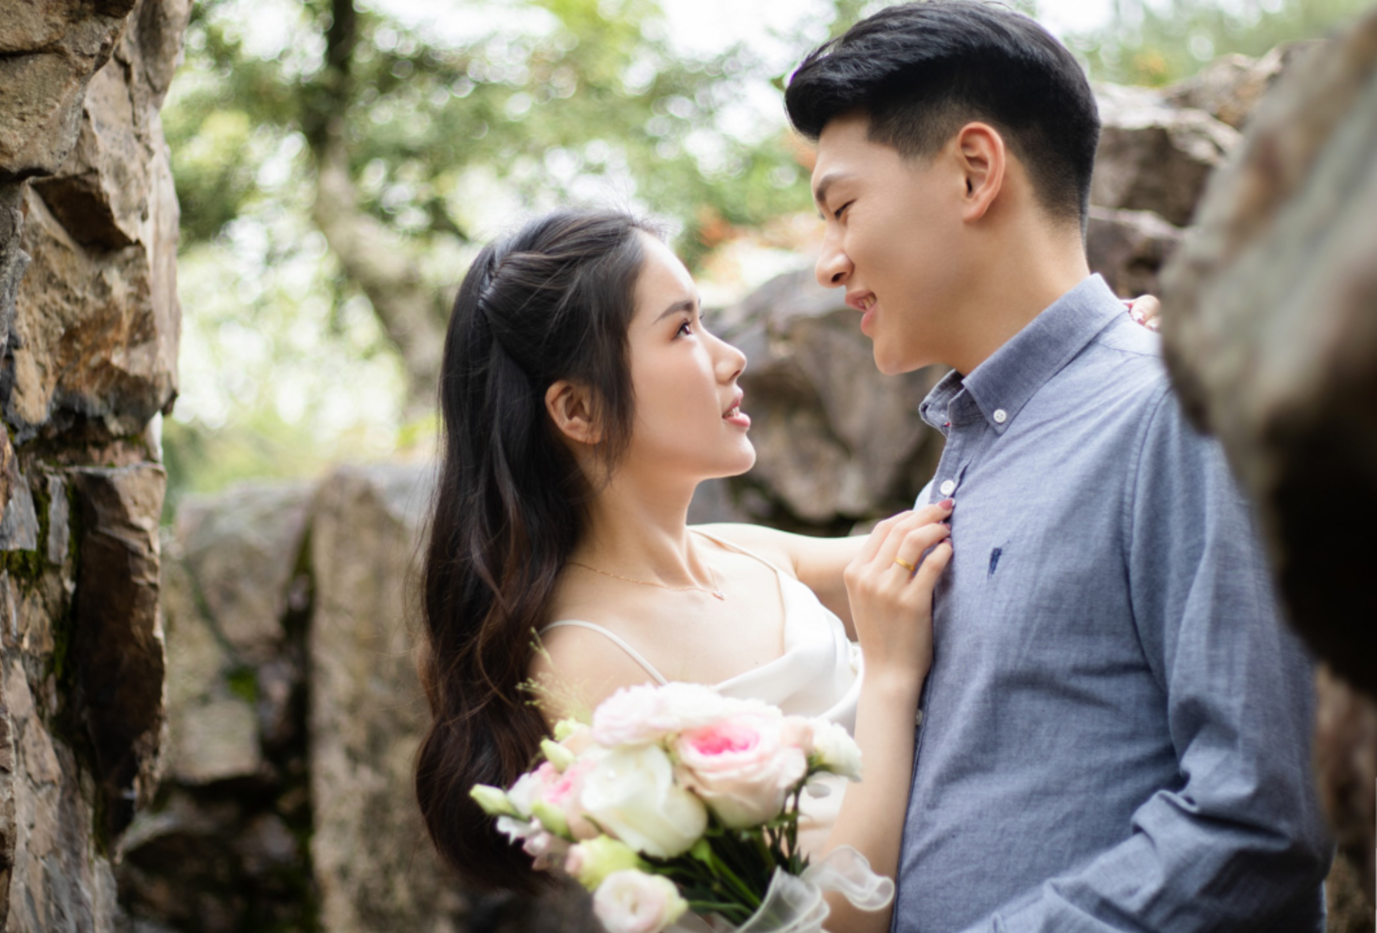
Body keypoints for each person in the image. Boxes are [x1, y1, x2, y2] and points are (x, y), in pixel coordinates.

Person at [782, 3, 1332, 932]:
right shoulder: (963, 458)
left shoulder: (1180, 409)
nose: (828, 264)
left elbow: (1257, 818)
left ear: (974, 171)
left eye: (842, 209)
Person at [413, 209, 952, 933]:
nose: (733, 358)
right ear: (579, 409)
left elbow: (943, 550)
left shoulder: (743, 550)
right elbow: (825, 923)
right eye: (684, 329)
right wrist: (889, 677)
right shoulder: (585, 662)